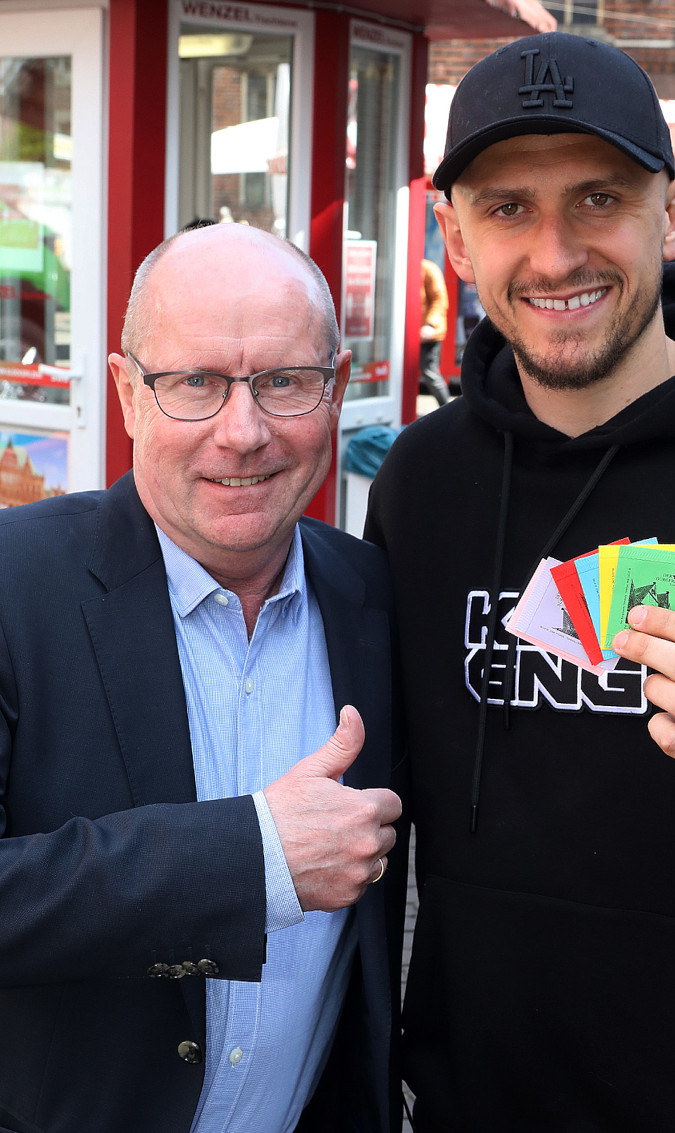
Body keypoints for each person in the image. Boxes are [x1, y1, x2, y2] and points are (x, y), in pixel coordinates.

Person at [365, 30, 675, 1133]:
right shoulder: (422, 486)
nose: (554, 254)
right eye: (508, 207)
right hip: (469, 1101)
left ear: (671, 210)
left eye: (598, 198)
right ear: (454, 236)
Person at [0, 222, 405, 1133]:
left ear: (337, 388)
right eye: (195, 383)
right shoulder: (13, 582)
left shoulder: (372, 594)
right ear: (126, 393)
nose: (243, 431)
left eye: (284, 381)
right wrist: (252, 858)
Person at [419, 258, 451, 406]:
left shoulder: (428, 268)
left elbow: (440, 299)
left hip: (428, 333)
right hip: (413, 332)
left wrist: (430, 325)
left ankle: (448, 409)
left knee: (430, 372)